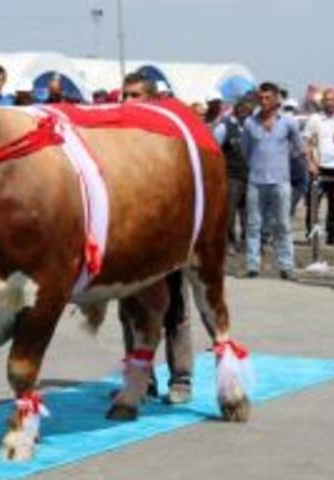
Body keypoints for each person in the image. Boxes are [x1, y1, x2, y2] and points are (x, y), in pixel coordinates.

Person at [117, 72, 194, 404]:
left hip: (167, 240)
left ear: (150, 98)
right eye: (124, 94)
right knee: (130, 311)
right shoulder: (118, 141)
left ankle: (181, 379)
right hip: (130, 241)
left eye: (134, 95)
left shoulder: (170, 140)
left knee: (174, 309)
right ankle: (141, 378)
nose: (126, 101)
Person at [241, 82, 303, 279]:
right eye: (261, 98)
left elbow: (298, 149)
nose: (264, 101)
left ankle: (286, 266)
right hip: (256, 181)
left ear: (277, 99)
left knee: (283, 225)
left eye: (268, 98)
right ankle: (252, 266)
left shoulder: (288, 122)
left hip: (280, 182)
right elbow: (245, 151)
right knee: (253, 225)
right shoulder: (250, 123)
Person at [304, 88, 334, 245]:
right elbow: (307, 143)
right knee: (313, 202)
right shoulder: (315, 119)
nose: (330, 103)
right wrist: (310, 163)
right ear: (323, 102)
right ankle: (311, 233)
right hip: (318, 166)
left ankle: (332, 234)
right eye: (327, 100)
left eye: (332, 100)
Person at [214, 98, 253, 253]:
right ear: (237, 109)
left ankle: (246, 243)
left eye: (248, 109)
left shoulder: (251, 127)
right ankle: (229, 242)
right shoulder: (224, 127)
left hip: (250, 176)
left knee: (249, 214)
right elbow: (215, 151)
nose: (245, 111)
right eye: (243, 108)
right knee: (229, 213)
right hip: (231, 176)